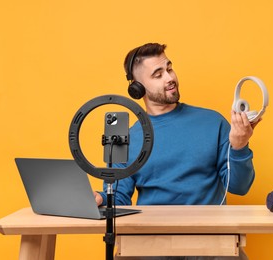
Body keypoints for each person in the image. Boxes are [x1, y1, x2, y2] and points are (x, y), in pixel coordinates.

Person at [94, 42, 260, 207]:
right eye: (158, 75)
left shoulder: (213, 122)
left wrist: (240, 146)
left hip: (211, 231)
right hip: (151, 232)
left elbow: (240, 187)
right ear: (137, 88)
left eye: (169, 68)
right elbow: (118, 199)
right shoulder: (124, 139)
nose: (170, 78)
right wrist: (101, 198)